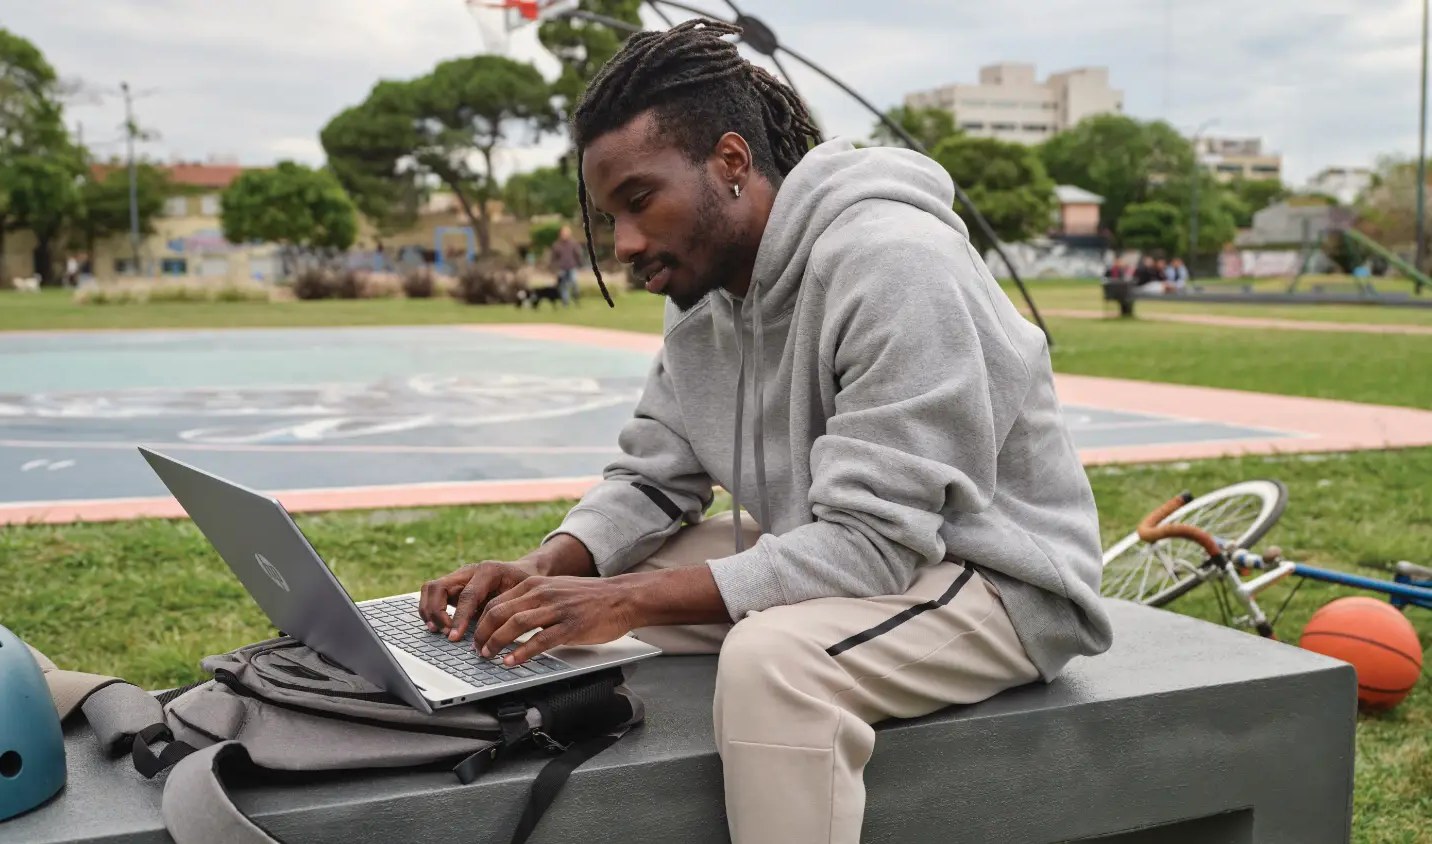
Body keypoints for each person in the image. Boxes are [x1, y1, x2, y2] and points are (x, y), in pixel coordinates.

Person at [417, 19, 1113, 844]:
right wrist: (544, 569)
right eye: (611, 219)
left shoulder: (896, 261)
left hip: (993, 575)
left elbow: (875, 545)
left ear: (733, 163)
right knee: (562, 598)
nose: (627, 245)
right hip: (842, 543)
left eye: (640, 202)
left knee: (775, 663)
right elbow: (650, 480)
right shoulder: (708, 298)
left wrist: (622, 598)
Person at [547, 225, 585, 306]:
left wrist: (581, 264)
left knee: (574, 284)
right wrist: (552, 267)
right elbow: (553, 258)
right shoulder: (557, 245)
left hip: (571, 267)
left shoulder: (573, 244)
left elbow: (578, 255)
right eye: (563, 233)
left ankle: (576, 300)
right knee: (563, 286)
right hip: (562, 268)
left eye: (566, 232)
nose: (565, 234)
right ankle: (565, 302)